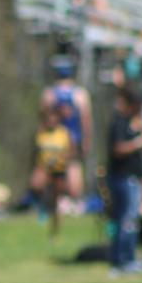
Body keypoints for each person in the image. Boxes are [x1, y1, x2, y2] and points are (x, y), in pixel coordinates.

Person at [107, 88, 142, 276]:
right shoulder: (119, 124)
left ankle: (127, 257)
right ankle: (123, 260)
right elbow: (118, 149)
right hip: (123, 178)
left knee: (130, 219)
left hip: (133, 177)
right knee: (126, 220)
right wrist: (139, 142)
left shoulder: (133, 124)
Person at [40, 56, 92, 210]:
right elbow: (85, 119)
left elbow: (42, 116)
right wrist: (86, 140)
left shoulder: (49, 93)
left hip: (54, 140)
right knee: (73, 168)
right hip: (73, 138)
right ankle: (72, 201)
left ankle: (61, 200)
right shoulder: (79, 94)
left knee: (55, 170)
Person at [29, 105, 72, 236]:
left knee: (56, 199)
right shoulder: (40, 133)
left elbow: (69, 152)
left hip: (58, 169)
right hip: (44, 168)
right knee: (36, 186)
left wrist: (61, 160)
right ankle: (42, 207)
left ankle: (55, 227)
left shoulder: (63, 133)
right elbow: (34, 152)